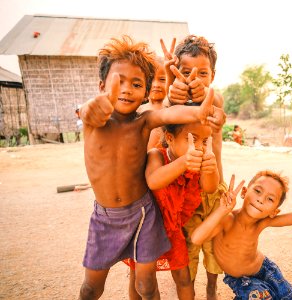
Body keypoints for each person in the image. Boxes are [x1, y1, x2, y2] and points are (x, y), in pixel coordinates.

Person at [77, 35, 222, 300]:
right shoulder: (94, 121)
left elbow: (170, 114)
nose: (126, 89)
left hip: (143, 214)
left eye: (136, 84)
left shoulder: (143, 121)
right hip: (105, 219)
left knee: (146, 284)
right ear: (101, 85)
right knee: (90, 288)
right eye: (118, 82)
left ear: (145, 92)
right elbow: (88, 110)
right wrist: (91, 106)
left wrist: (200, 110)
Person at [191, 170, 292, 299]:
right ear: (244, 192)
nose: (260, 199)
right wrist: (222, 210)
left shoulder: (262, 222)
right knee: (259, 296)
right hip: (240, 279)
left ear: (274, 212)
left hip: (266, 270)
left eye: (270, 199)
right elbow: (197, 238)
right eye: (257, 191)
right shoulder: (227, 219)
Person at [164, 34, 227, 299]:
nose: (194, 78)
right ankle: (188, 287)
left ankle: (212, 286)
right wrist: (170, 88)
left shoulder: (214, 100)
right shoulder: (174, 102)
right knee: (188, 248)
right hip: (185, 193)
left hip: (213, 191)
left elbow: (218, 108)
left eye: (203, 72)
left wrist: (208, 97)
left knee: (214, 246)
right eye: (186, 71)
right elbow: (165, 110)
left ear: (213, 75)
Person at [126, 121, 219, 300]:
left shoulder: (198, 162)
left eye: (205, 141)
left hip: (173, 231)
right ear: (170, 138)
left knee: (183, 278)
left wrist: (210, 168)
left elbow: (210, 188)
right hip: (146, 230)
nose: (199, 147)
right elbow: (153, 180)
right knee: (141, 281)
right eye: (192, 139)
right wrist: (185, 161)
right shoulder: (157, 155)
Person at [137, 56, 168, 150]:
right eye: (150, 80)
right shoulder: (139, 109)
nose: (156, 85)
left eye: (162, 79)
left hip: (163, 162)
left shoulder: (170, 108)